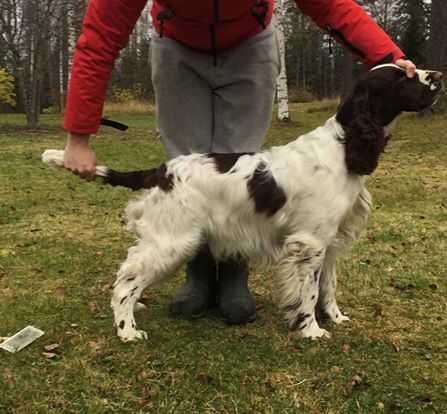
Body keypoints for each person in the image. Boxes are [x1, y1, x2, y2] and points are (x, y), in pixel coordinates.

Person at [63, 0, 416, 326]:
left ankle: (233, 275)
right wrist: (78, 135)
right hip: (176, 45)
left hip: (250, 43)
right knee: (190, 172)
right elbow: (100, 37)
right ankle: (198, 274)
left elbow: (330, 5)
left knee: (245, 171)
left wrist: (388, 57)